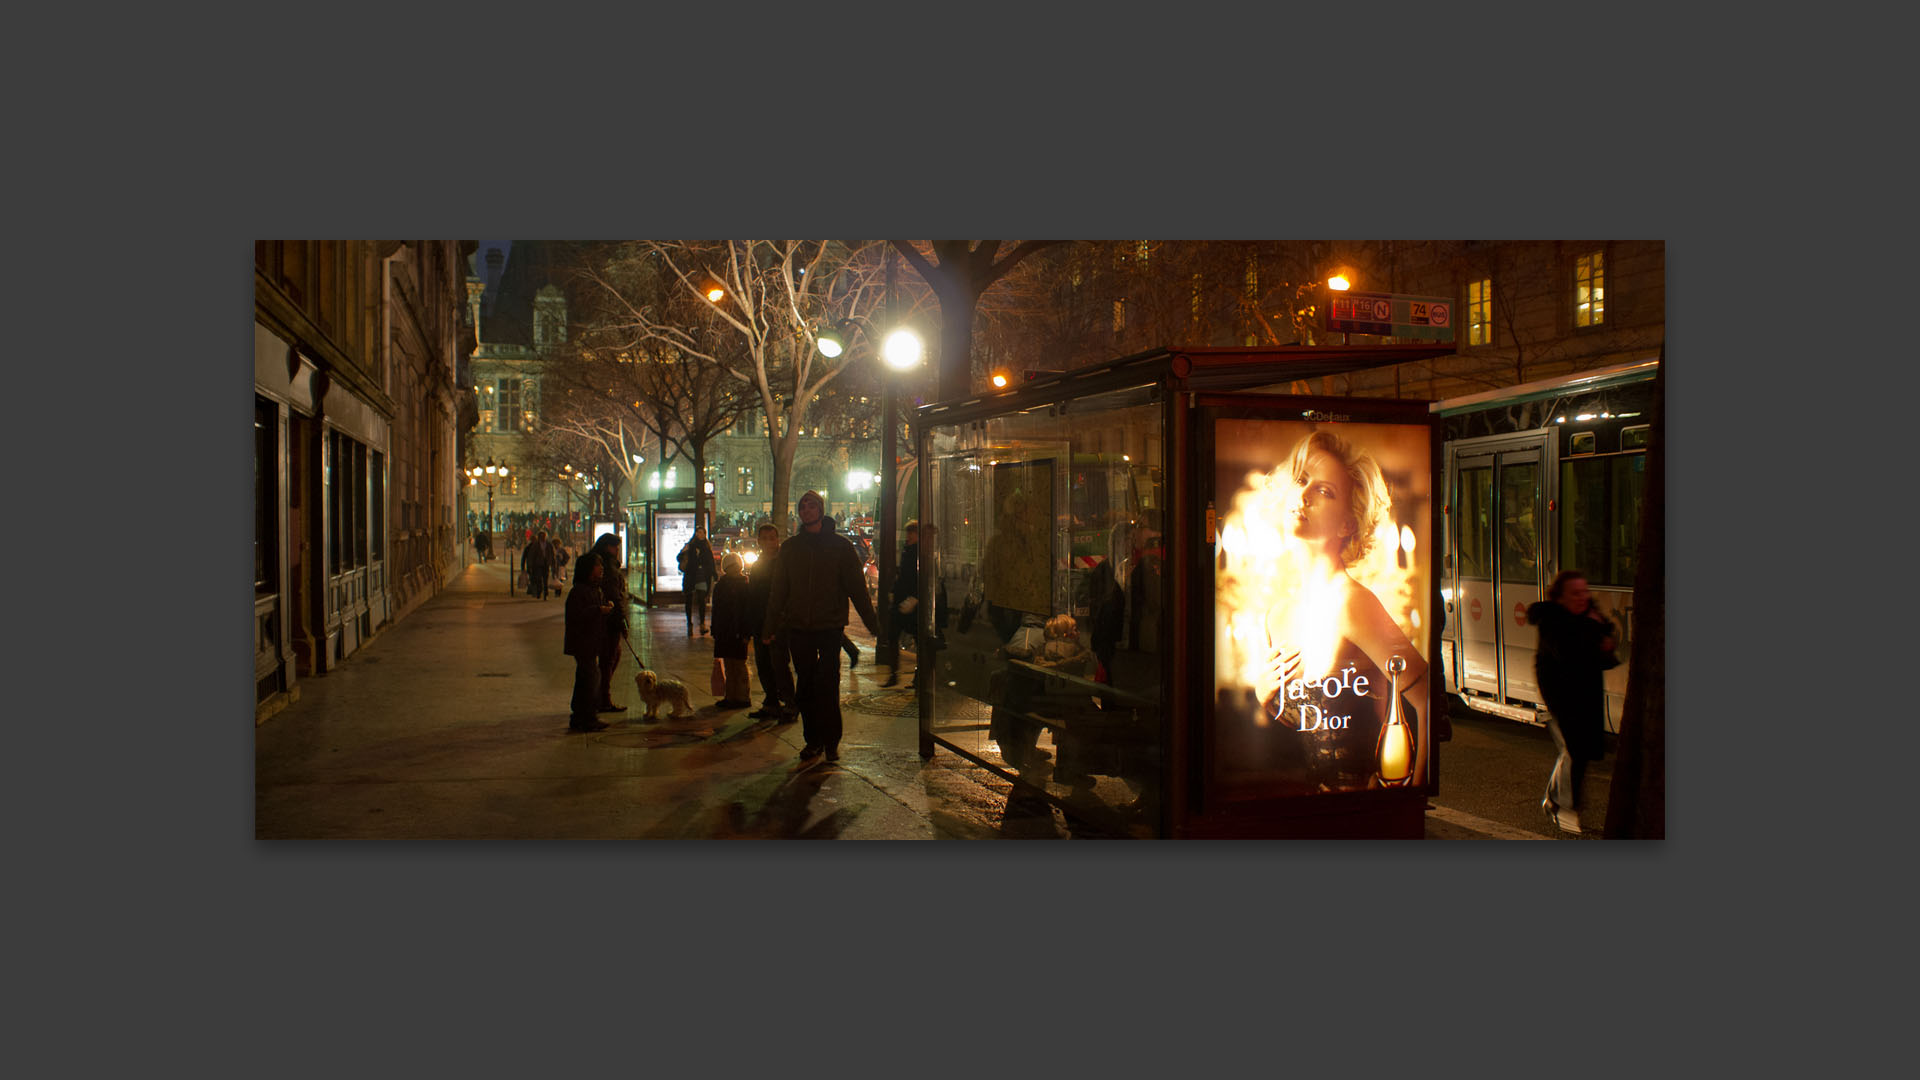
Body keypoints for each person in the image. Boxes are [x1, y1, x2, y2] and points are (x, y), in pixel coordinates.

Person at [1251, 430, 1430, 793]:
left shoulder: (1351, 602)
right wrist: (1263, 697)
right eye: (1302, 480)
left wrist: (1402, 795)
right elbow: (1299, 736)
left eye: (1324, 491)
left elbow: (1426, 702)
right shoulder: (1277, 613)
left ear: (1348, 523)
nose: (1302, 495)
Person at [763, 490, 881, 764]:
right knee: (804, 686)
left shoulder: (840, 547)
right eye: (803, 506)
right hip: (799, 628)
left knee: (828, 686)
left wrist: (874, 625)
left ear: (821, 510)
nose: (807, 510)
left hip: (829, 627)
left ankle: (830, 741)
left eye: (812, 506)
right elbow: (779, 590)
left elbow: (857, 590)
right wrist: (769, 626)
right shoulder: (791, 549)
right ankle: (812, 740)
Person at [1527, 570, 1617, 835]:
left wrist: (1602, 640)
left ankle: (1554, 799)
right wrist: (1594, 631)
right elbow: (1571, 654)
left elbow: (1602, 653)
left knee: (1576, 750)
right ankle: (1567, 808)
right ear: (1561, 598)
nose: (1582, 597)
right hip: (1562, 696)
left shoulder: (1589, 617)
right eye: (1575, 593)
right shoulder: (1554, 621)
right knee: (1576, 750)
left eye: (1585, 592)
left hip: (1585, 693)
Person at [745, 522, 797, 721]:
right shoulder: (759, 563)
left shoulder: (782, 564)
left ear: (778, 540)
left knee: (779, 666)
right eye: (764, 538)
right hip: (760, 622)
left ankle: (790, 704)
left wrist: (778, 623)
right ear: (758, 541)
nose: (768, 542)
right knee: (764, 665)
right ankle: (771, 703)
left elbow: (785, 596)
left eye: (772, 538)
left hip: (778, 625)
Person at [563, 553, 615, 732]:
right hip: (583, 643)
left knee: (588, 678)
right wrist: (598, 610)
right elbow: (577, 616)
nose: (601, 569)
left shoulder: (595, 589)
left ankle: (582, 716)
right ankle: (585, 717)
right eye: (597, 565)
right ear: (588, 569)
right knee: (590, 679)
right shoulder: (579, 591)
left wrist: (605, 607)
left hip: (592, 642)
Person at [591, 532, 632, 713]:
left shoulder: (602, 563)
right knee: (609, 658)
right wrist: (622, 619)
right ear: (609, 547)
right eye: (616, 547)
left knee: (611, 657)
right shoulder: (608, 566)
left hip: (604, 617)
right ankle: (603, 698)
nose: (617, 550)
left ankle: (600, 694)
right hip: (610, 618)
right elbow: (615, 594)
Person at [709, 552, 754, 708]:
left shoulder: (739, 586)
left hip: (733, 631)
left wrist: (746, 632)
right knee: (731, 665)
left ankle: (740, 697)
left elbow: (747, 612)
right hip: (727, 631)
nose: (735, 570)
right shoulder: (734, 585)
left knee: (738, 665)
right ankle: (733, 696)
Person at [881, 521, 920, 688]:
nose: (909, 536)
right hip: (902, 601)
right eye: (909, 532)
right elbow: (903, 576)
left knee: (918, 641)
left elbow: (917, 578)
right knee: (893, 636)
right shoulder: (908, 551)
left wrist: (915, 598)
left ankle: (917, 677)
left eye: (913, 533)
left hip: (912, 603)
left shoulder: (918, 553)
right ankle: (895, 674)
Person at [677, 528, 718, 636]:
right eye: (698, 532)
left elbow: (711, 562)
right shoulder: (690, 545)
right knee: (688, 600)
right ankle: (689, 623)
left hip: (701, 575)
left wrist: (714, 574)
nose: (700, 534)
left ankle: (702, 624)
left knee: (701, 599)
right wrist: (685, 551)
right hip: (691, 575)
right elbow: (679, 557)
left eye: (702, 532)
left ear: (705, 534)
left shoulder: (706, 547)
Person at [523, 530, 551, 600]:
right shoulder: (535, 545)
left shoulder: (549, 545)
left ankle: (546, 593)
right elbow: (531, 556)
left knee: (545, 579)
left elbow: (552, 555)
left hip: (546, 564)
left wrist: (553, 565)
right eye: (541, 536)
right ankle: (539, 592)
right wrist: (530, 565)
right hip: (538, 564)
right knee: (538, 579)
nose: (543, 538)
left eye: (544, 536)